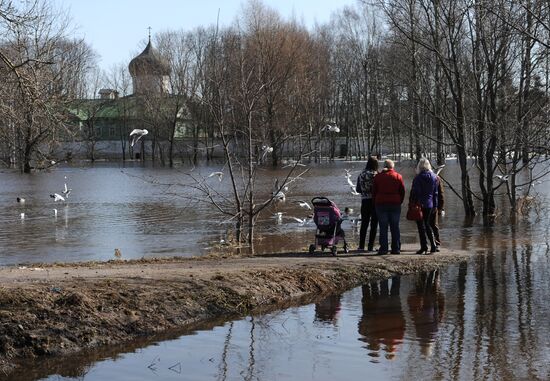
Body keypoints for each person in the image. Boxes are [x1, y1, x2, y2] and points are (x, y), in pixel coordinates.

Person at [372, 159, 405, 255]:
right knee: (395, 227)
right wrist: (399, 201)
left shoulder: (378, 177)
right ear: (392, 167)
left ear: (384, 166)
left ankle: (384, 249)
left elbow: (374, 191)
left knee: (383, 227)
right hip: (395, 204)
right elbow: (402, 191)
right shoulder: (398, 176)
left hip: (381, 204)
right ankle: (396, 248)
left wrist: (375, 202)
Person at [410, 158, 439, 254]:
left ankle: (424, 246)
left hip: (420, 204)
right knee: (427, 224)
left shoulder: (417, 178)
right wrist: (435, 205)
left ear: (419, 166)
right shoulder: (434, 177)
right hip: (430, 204)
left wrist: (412, 202)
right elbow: (435, 193)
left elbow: (416, 191)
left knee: (421, 226)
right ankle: (433, 245)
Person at [356, 156, 379, 252]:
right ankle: (370, 246)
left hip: (364, 201)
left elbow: (358, 189)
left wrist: (364, 191)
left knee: (364, 224)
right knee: (374, 224)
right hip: (374, 201)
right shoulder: (375, 174)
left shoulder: (361, 174)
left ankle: (361, 246)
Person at [429, 175, 444, 248]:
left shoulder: (417, 177)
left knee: (424, 226)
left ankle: (425, 244)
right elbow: (441, 193)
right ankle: (436, 243)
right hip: (434, 205)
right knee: (434, 224)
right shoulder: (437, 178)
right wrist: (440, 207)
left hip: (422, 205)